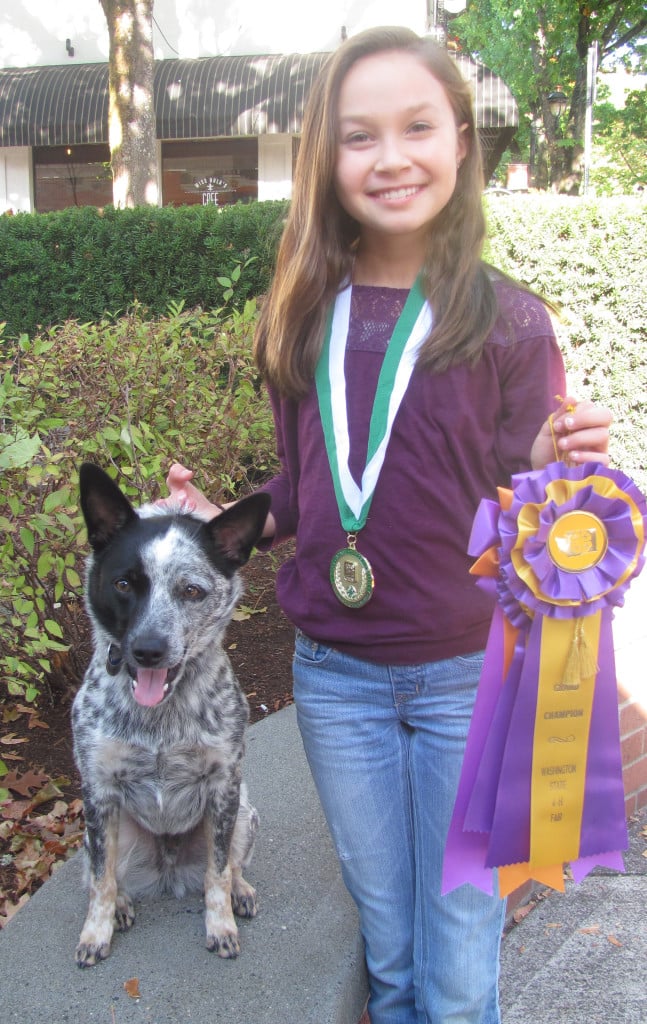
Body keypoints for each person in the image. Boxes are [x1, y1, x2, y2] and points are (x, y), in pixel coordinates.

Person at [164, 27, 612, 1024]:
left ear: (459, 139)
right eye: (358, 135)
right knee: (396, 957)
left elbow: (507, 488)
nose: (390, 156)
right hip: (337, 682)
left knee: (455, 975)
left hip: (466, 676)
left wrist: (546, 464)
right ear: (326, 157)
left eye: (417, 127)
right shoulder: (301, 312)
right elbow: (312, 481)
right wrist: (217, 522)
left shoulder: (506, 321)